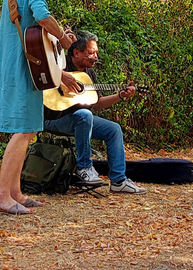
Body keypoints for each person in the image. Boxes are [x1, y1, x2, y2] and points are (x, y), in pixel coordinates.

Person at [0, 0, 78, 214]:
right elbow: (43, 18)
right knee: (24, 130)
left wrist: (55, 41)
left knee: (25, 128)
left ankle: (15, 191)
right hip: (26, 68)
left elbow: (32, 31)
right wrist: (63, 39)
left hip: (10, 64)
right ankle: (1, 195)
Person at [43, 31, 146, 194]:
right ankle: (84, 167)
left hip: (82, 121)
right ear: (76, 53)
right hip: (52, 117)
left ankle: (119, 180)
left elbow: (97, 104)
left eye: (96, 52)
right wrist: (62, 76)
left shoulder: (89, 73)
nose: (95, 57)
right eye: (91, 53)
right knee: (84, 115)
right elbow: (42, 68)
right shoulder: (60, 63)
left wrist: (120, 95)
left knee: (113, 129)